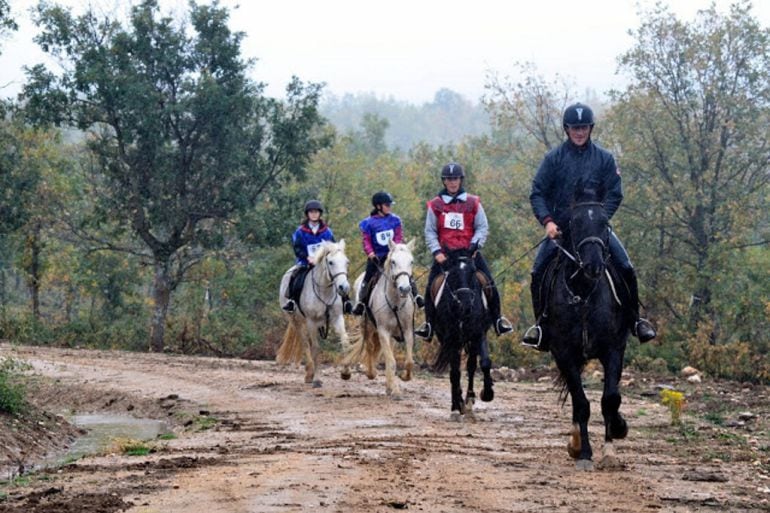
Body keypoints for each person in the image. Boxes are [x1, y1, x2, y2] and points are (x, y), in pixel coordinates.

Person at [521, 102, 656, 350]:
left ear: (590, 128)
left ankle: (635, 321)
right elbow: (537, 192)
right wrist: (547, 221)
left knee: (626, 267)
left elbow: (615, 193)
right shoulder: (553, 159)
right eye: (575, 128)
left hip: (594, 231)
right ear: (567, 129)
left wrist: (600, 219)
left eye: (583, 127)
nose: (579, 132)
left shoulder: (604, 158)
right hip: (561, 231)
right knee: (538, 271)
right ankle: (540, 327)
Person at [414, 162, 513, 340]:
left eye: (456, 179)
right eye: (449, 179)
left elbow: (482, 226)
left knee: (489, 283)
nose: (453, 182)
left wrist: (475, 246)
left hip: (469, 253)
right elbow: (430, 231)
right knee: (431, 287)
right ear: (444, 181)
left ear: (461, 180)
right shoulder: (435, 205)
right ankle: (428, 324)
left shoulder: (473, 202)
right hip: (446, 255)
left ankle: (498, 320)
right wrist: (436, 252)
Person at [351, 191, 424, 316]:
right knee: (367, 278)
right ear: (378, 206)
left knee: (406, 274)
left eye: (390, 205)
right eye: (387, 205)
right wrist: (371, 253)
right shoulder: (368, 223)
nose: (390, 207)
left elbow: (399, 236)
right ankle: (361, 303)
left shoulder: (395, 220)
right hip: (377, 257)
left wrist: (395, 249)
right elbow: (366, 241)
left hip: (393, 255)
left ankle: (416, 297)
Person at [282, 199, 353, 314]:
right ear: (307, 214)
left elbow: (333, 248)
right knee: (295, 276)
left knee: (339, 275)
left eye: (316, 212)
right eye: (311, 212)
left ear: (320, 214)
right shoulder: (300, 232)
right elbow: (297, 248)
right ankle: (292, 301)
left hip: (323, 264)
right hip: (306, 262)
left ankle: (346, 301)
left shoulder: (327, 231)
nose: (314, 214)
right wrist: (307, 257)